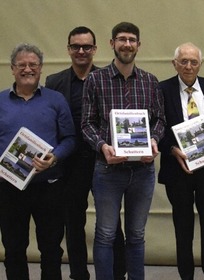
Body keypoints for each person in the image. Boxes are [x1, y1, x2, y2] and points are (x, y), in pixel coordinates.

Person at [81, 22, 165, 280]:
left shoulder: (150, 81)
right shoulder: (95, 80)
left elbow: (160, 120)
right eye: (121, 39)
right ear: (112, 44)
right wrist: (103, 146)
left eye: (131, 40)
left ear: (138, 45)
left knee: (137, 235)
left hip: (142, 171)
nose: (127, 44)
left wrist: (153, 140)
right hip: (108, 170)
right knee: (106, 234)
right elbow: (86, 123)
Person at [44, 26, 126, 280]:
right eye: (76, 47)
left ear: (95, 49)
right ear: (68, 49)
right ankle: (79, 274)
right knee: (74, 223)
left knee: (112, 224)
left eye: (87, 47)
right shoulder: (54, 83)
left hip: (104, 160)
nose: (81, 51)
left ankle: (117, 273)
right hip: (70, 164)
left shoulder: (108, 77)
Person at [0, 43, 75, 280]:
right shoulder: (0, 101)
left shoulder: (56, 99)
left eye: (33, 64)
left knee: (51, 248)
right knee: (13, 248)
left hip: (49, 186)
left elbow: (70, 139)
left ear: (41, 69)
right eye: (21, 65)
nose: (27, 69)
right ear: (12, 69)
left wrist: (54, 158)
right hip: (9, 187)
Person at [158, 42, 204, 280]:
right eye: (183, 61)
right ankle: (186, 275)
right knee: (183, 227)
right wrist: (172, 149)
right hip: (179, 169)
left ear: (200, 64)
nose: (188, 66)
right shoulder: (162, 89)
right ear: (174, 63)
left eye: (193, 62)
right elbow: (157, 127)